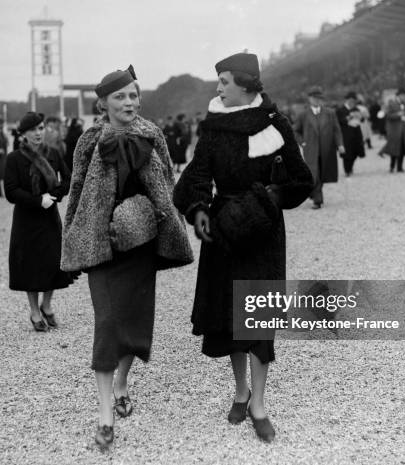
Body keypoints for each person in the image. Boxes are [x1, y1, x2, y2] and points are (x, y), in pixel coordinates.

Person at [173, 52, 314, 443]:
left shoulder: (273, 123)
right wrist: (199, 209)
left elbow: (302, 180)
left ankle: (259, 404)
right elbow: (196, 177)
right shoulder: (214, 127)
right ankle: (240, 392)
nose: (218, 88)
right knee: (230, 317)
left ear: (246, 85)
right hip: (223, 233)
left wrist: (268, 198)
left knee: (258, 318)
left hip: (264, 231)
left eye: (224, 81)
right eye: (218, 81)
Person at [61, 65, 193, 449]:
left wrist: (169, 222)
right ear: (103, 103)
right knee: (107, 325)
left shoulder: (153, 135)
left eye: (134, 95)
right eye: (121, 96)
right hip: (100, 247)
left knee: (133, 325)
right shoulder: (87, 141)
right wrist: (73, 238)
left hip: (140, 247)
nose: (130, 102)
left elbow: (166, 183)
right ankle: (105, 418)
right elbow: (76, 193)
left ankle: (121, 382)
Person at [4, 112, 73, 332]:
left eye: (41, 128)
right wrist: (37, 200)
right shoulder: (14, 158)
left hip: (49, 215)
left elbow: (68, 179)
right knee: (30, 265)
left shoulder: (53, 153)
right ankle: (34, 311)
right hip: (26, 219)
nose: (38, 133)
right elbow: (11, 191)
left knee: (54, 261)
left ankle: (47, 304)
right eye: (33, 129)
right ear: (23, 134)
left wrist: (55, 195)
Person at [293, 86, 344, 209]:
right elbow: (295, 131)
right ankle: (318, 199)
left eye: (319, 98)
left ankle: (314, 193)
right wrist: (302, 142)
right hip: (310, 150)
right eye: (314, 98)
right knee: (314, 173)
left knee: (323, 173)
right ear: (309, 99)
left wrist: (340, 145)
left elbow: (336, 130)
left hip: (327, 149)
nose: (316, 100)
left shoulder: (330, 113)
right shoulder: (303, 115)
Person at [378, 88, 405, 173]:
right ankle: (392, 166)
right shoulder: (392, 103)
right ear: (399, 96)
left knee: (402, 148)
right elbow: (388, 115)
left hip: (404, 129)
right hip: (394, 129)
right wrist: (398, 115)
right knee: (394, 147)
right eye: (403, 96)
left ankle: (400, 167)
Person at [336, 92, 364, 176]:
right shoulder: (340, 110)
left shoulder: (356, 109)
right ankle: (347, 170)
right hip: (346, 135)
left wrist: (361, 116)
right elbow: (339, 121)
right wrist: (349, 117)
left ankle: (351, 167)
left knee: (355, 153)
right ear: (347, 100)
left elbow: (362, 120)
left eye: (354, 101)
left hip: (356, 134)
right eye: (351, 100)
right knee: (347, 154)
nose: (352, 102)